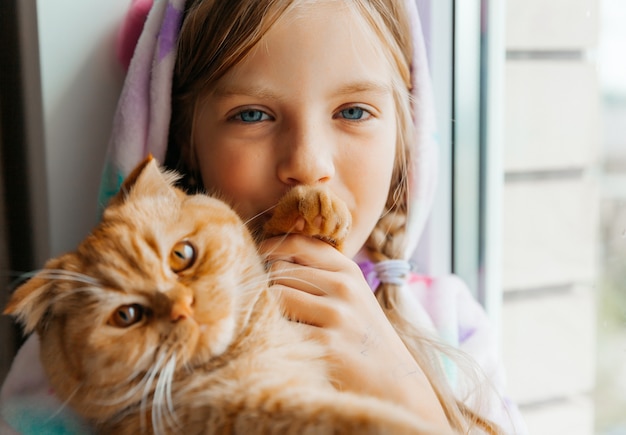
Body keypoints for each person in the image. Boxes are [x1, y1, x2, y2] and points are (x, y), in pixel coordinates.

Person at [1, 0, 526, 433]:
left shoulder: (453, 325)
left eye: (354, 112)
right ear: (185, 142)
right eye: (252, 114)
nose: (307, 164)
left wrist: (406, 389)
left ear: (406, 138)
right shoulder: (77, 350)